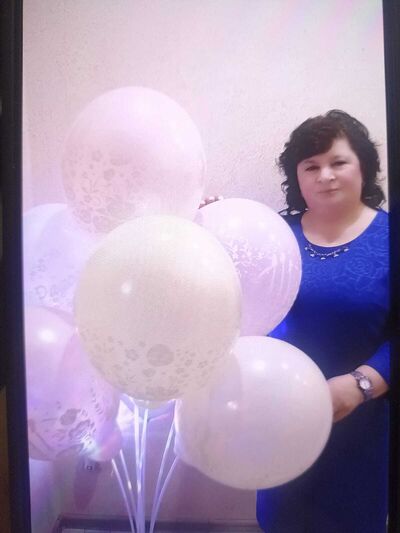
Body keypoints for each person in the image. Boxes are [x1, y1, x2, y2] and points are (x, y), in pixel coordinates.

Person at [256, 110, 390, 532]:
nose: (325, 176)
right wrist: (208, 221)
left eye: (338, 162)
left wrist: (362, 384)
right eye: (311, 166)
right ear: (296, 177)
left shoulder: (391, 237)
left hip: (360, 423)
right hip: (278, 421)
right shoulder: (272, 235)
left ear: (364, 166)